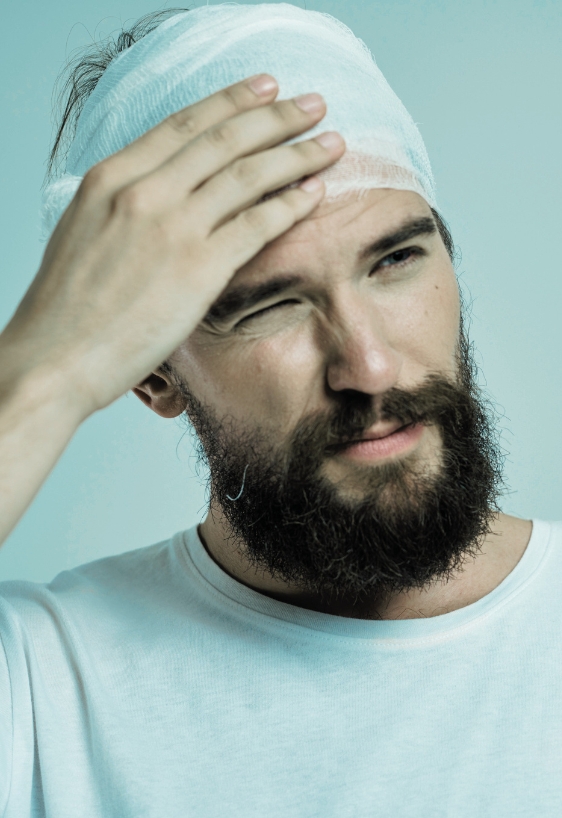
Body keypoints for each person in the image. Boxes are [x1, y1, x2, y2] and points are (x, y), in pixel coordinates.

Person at [0, 4, 559, 816]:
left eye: (396, 258)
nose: (367, 366)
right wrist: (42, 370)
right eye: (269, 306)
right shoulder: (45, 687)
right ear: (151, 374)